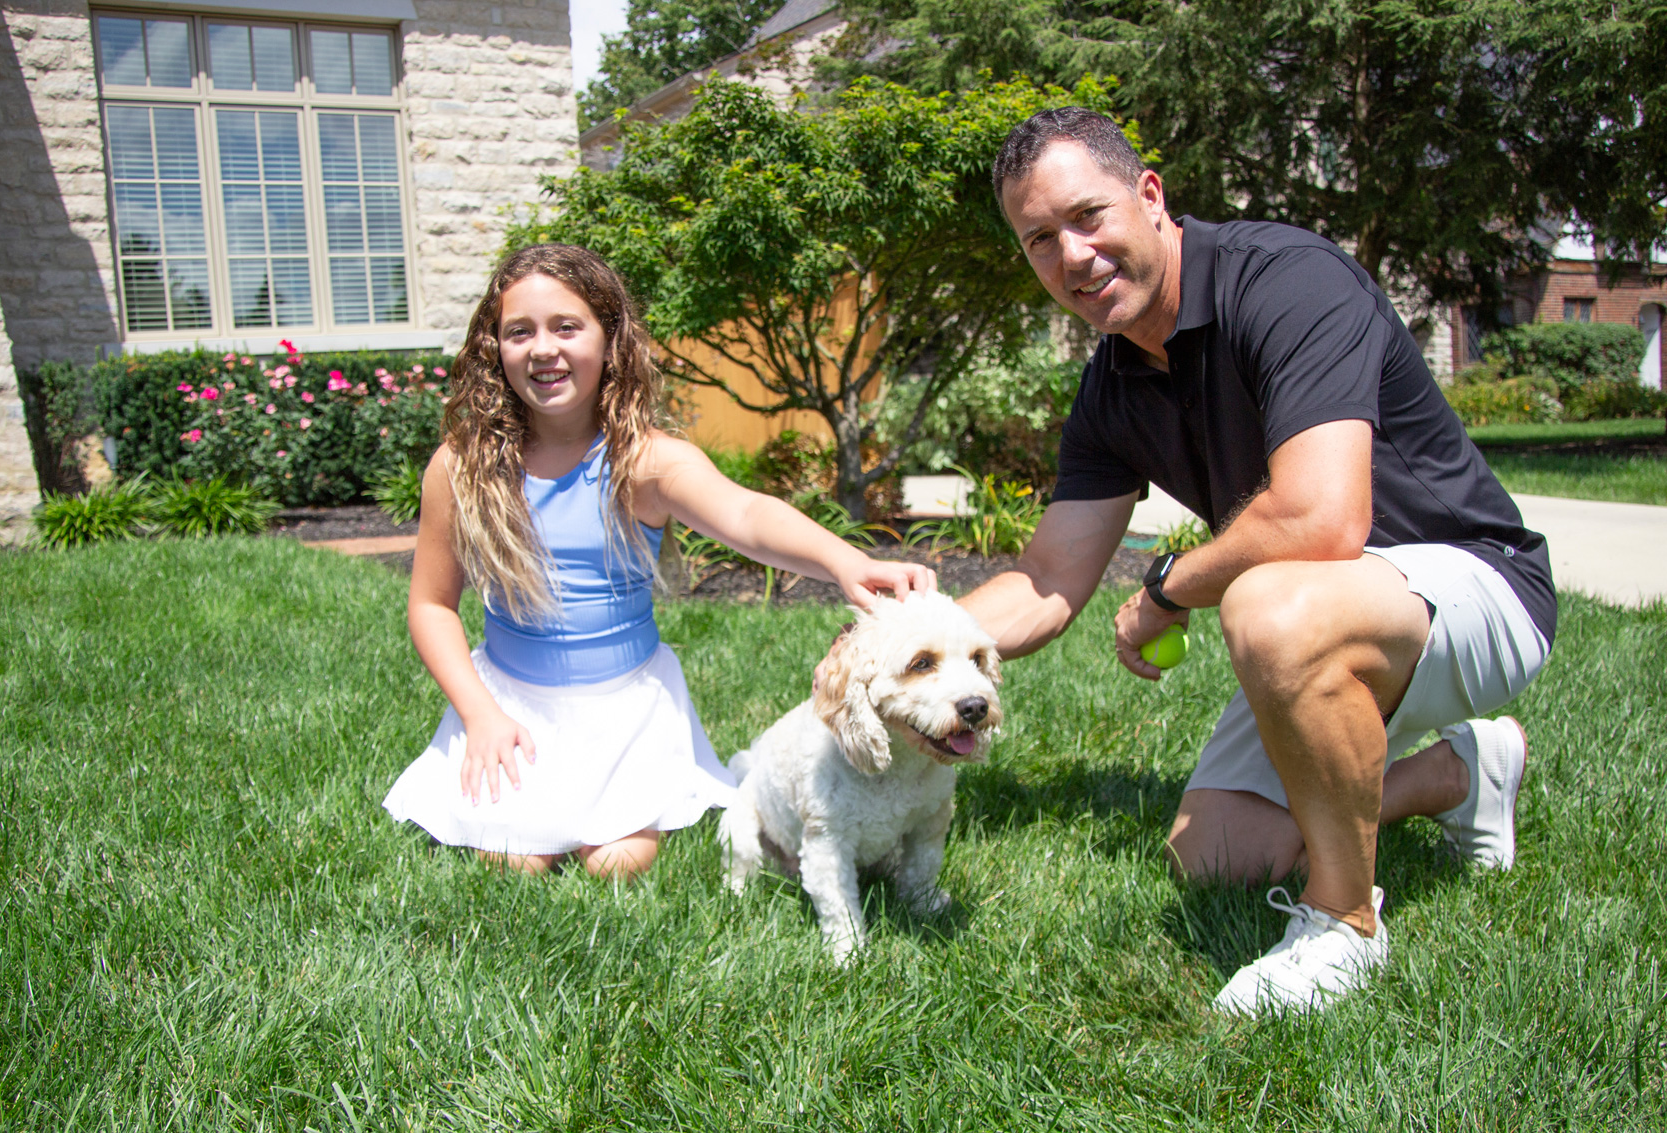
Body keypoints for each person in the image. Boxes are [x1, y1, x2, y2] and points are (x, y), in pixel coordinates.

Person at [963, 109, 1554, 1014]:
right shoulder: (1112, 382)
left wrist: (1165, 587)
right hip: (1332, 611)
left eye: (1088, 217)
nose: (1072, 255)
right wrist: (905, 643)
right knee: (1217, 854)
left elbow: (1322, 519)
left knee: (1268, 605)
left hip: (1475, 588)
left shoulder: (1284, 279)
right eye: (1040, 240)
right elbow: (1046, 580)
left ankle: (1343, 926)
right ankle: (1461, 776)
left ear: (1150, 196)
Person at [382, 244, 933, 880]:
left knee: (616, 863)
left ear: (611, 340)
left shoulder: (644, 460)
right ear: (493, 349)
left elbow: (747, 516)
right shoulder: (462, 467)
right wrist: (480, 714)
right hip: (510, 703)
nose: (542, 348)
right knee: (515, 863)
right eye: (518, 332)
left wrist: (842, 561)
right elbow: (429, 605)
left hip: (623, 707)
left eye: (566, 327)